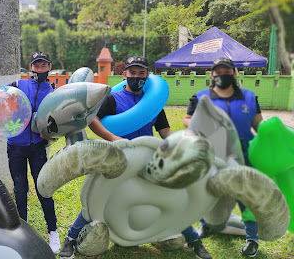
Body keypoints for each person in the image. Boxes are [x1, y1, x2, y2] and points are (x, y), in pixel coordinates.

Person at [59, 56, 212, 259]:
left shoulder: (153, 102)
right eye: (132, 72)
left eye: (141, 73)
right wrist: (114, 138)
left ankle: (193, 240)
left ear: (147, 75)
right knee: (98, 196)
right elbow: (93, 120)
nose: (137, 76)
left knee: (173, 195)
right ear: (125, 74)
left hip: (147, 157)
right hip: (120, 157)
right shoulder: (113, 98)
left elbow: (164, 130)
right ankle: (71, 238)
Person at [183, 57, 263, 258]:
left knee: (248, 196)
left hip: (244, 152)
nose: (222, 74)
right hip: (214, 151)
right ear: (212, 74)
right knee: (208, 191)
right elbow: (188, 119)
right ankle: (206, 225)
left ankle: (252, 238)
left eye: (226, 71)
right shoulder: (201, 98)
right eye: (218, 71)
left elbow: (258, 125)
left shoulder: (249, 97)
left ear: (234, 73)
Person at [0, 51, 60, 253]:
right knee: (20, 188)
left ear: (49, 67)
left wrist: (51, 137)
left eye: (43, 65)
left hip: (37, 148)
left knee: (43, 188)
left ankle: (53, 231)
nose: (39, 69)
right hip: (16, 146)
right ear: (30, 67)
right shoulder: (18, 85)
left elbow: (59, 124)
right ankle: (22, 230)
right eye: (36, 65)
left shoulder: (54, 92)